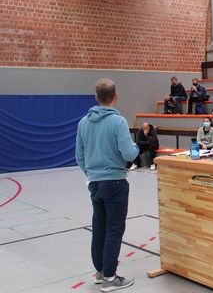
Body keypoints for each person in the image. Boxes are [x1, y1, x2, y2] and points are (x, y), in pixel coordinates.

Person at [75, 78, 138, 291]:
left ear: (96, 97)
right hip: (115, 182)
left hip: (94, 183)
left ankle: (100, 272)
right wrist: (136, 147)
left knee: (99, 228)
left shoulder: (84, 122)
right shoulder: (118, 122)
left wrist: (92, 174)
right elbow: (128, 153)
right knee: (114, 229)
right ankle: (110, 278)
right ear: (116, 96)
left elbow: (79, 156)